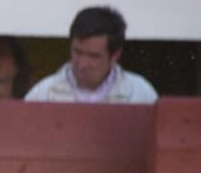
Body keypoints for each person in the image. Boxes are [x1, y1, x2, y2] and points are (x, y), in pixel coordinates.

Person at [26, 7, 158, 104]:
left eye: (93, 56)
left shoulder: (140, 94)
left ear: (115, 56)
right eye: (77, 52)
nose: (82, 64)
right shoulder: (42, 94)